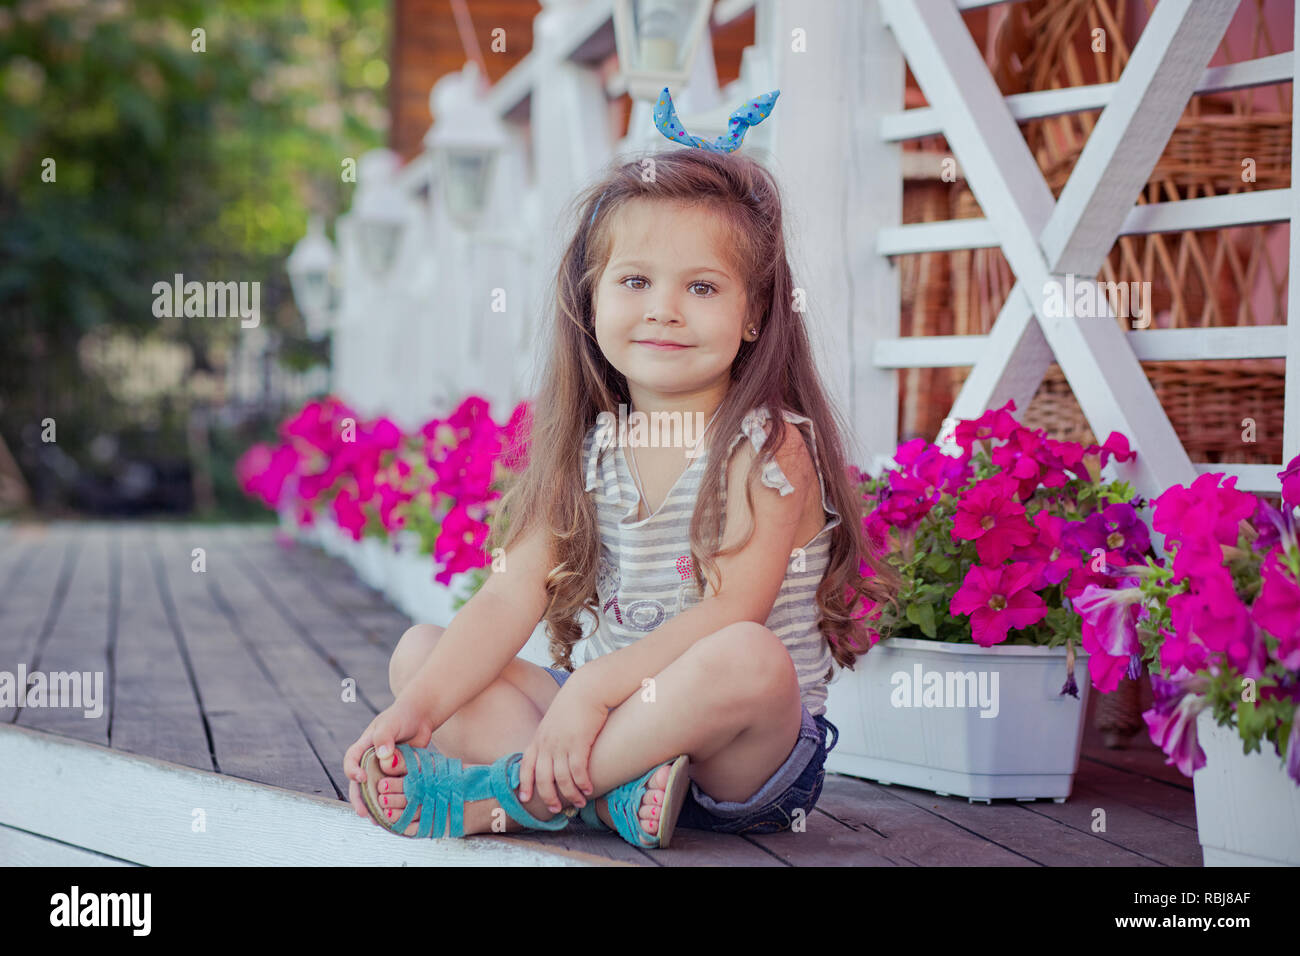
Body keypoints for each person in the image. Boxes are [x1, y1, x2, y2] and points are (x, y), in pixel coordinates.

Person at [343, 86, 900, 848]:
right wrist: (419, 711)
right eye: (635, 281)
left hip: (739, 760)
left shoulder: (770, 446)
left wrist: (592, 694)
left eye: (701, 287)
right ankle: (610, 796)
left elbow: (729, 612)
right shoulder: (588, 450)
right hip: (606, 726)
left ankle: (505, 796)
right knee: (421, 656)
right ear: (592, 297)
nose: (664, 309)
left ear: (753, 315)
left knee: (749, 654)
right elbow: (512, 597)